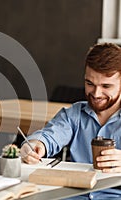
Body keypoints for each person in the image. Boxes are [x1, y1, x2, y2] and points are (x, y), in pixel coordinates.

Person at [20, 43, 121, 199]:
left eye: (106, 86)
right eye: (89, 84)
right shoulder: (74, 114)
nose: (96, 93)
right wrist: (34, 145)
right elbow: (49, 136)